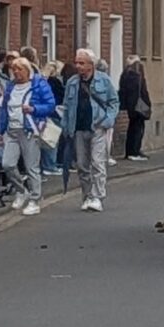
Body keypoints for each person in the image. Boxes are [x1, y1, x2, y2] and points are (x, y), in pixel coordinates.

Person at [0, 53, 58, 215]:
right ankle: (21, 190)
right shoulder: (10, 86)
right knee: (7, 164)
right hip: (12, 130)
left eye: (19, 69)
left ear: (27, 69)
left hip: (30, 130)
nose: (16, 72)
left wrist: (34, 109)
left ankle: (35, 199)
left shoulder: (38, 84)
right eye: (13, 69)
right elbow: (4, 110)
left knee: (32, 167)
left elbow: (51, 105)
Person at [63, 49, 120, 212]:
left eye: (81, 63)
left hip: (97, 126)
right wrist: (66, 127)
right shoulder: (72, 83)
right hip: (79, 128)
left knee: (97, 162)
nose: (78, 66)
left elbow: (114, 101)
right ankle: (87, 195)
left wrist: (108, 120)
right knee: (81, 164)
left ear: (91, 64)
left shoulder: (103, 80)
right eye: (77, 62)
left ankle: (97, 196)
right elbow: (67, 106)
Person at [117, 55, 153, 162]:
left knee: (134, 128)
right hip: (137, 106)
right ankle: (134, 151)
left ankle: (133, 150)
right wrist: (145, 104)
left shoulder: (126, 74)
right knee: (137, 129)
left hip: (132, 106)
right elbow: (139, 93)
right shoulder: (135, 76)